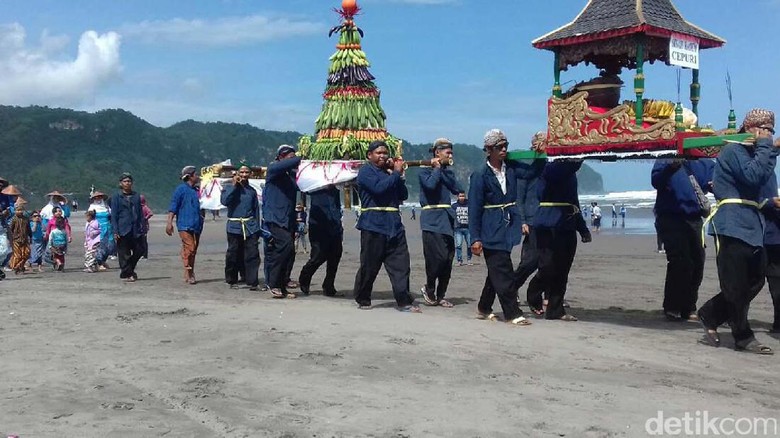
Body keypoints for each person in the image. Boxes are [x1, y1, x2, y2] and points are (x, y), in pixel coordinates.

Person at [698, 109, 777, 355]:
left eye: (770, 131)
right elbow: (752, 175)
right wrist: (767, 147)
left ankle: (710, 313)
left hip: (753, 224)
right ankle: (742, 336)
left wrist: (769, 149)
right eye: (762, 130)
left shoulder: (757, 154)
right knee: (736, 283)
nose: (766, 134)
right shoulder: (732, 150)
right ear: (749, 128)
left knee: (755, 279)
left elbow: (762, 179)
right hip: (731, 223)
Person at [469, 129, 529, 325]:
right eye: (499, 147)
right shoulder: (480, 175)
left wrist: (540, 154)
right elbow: (474, 209)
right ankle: (513, 313)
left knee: (496, 271)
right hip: (490, 229)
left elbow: (532, 172)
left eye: (506, 146)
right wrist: (475, 238)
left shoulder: (511, 168)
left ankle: (484, 307)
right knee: (503, 270)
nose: (503, 150)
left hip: (508, 227)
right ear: (488, 149)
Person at [353, 140, 420, 312]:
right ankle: (363, 297)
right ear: (370, 155)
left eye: (385, 153)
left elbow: (403, 195)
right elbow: (379, 189)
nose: (383, 156)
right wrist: (396, 174)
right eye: (379, 153)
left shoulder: (390, 173)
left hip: (394, 224)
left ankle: (403, 300)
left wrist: (399, 176)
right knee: (369, 265)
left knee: (401, 264)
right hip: (373, 224)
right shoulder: (365, 172)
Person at [651, 158, 714, 321]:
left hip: (694, 218)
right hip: (670, 216)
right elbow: (656, 181)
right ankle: (672, 306)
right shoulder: (665, 158)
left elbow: (712, 183)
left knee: (697, 262)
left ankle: (688, 307)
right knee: (680, 261)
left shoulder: (703, 162)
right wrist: (670, 168)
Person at [534, 160, 591, 321]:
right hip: (548, 223)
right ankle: (534, 290)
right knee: (547, 266)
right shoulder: (549, 167)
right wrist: (580, 156)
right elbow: (558, 171)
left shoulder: (571, 174)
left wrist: (583, 229)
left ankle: (555, 309)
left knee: (563, 270)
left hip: (567, 223)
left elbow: (574, 202)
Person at [419, 138, 463, 308]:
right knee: (436, 258)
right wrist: (436, 169)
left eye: (451, 152)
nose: (450, 155)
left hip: (447, 220)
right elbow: (430, 186)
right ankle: (429, 288)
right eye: (447, 152)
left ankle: (441, 294)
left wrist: (443, 171)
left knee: (448, 259)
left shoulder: (447, 172)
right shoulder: (424, 171)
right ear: (437, 152)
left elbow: (457, 188)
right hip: (431, 219)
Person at [263, 145, 303, 298]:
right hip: (275, 218)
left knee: (289, 251)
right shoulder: (273, 169)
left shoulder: (290, 175)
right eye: (288, 156)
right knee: (284, 247)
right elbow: (286, 165)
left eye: (293, 155)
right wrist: (301, 158)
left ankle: (283, 284)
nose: (291, 158)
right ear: (280, 157)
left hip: (288, 219)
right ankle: (273, 283)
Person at [512, 154, 546, 315]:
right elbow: (520, 198)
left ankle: (540, 297)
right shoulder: (528, 171)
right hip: (532, 220)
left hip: (548, 220)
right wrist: (523, 220)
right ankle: (512, 286)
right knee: (530, 261)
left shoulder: (552, 167)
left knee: (549, 262)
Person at [221, 164, 262, 290]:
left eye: (246, 172)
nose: (244, 175)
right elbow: (225, 201)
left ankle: (252, 281)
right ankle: (231, 280)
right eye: (241, 172)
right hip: (234, 226)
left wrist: (257, 227)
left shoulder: (252, 191)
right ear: (237, 174)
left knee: (252, 254)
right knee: (233, 254)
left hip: (250, 226)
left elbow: (256, 210)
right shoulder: (228, 188)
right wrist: (234, 186)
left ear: (250, 174)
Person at [298, 185, 343, 297]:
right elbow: (304, 188)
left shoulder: (335, 191)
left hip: (335, 226)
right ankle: (305, 276)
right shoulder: (315, 189)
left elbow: (337, 208)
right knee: (318, 256)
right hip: (319, 227)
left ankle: (329, 285)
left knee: (335, 256)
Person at [166, 166, 205, 284]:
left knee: (193, 249)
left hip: (197, 224)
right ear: (190, 176)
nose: (197, 176)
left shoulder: (197, 191)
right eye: (195, 174)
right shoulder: (180, 190)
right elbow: (173, 206)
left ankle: (189, 271)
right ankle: (188, 271)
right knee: (190, 247)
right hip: (184, 224)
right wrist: (169, 223)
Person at [108, 172, 145, 282]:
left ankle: (127, 271)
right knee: (124, 253)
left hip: (135, 228)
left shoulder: (136, 196)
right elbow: (114, 215)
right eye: (125, 181)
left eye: (129, 181)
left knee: (140, 250)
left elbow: (140, 213)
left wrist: (142, 226)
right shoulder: (116, 197)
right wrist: (115, 230)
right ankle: (128, 273)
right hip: (122, 228)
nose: (127, 183)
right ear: (121, 183)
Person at [760, 164, 780, 334]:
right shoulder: (759, 168)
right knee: (750, 280)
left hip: (772, 231)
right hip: (763, 232)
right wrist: (771, 203)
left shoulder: (768, 169)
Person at [89, 192, 115, 270]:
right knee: (99, 246)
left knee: (109, 245)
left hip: (108, 227)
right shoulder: (92, 207)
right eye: (96, 197)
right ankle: (99, 262)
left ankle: (103, 260)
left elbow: (111, 216)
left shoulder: (106, 207)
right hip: (97, 228)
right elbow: (89, 218)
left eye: (100, 197)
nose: (98, 198)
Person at [9, 197, 31, 274]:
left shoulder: (26, 219)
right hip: (16, 240)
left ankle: (20, 266)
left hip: (25, 239)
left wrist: (30, 237)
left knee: (26, 254)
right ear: (15, 211)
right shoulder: (14, 219)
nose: (19, 211)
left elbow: (29, 229)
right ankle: (16, 266)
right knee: (18, 255)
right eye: (18, 210)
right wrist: (11, 238)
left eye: (21, 210)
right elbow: (10, 229)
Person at [452, 192, 472, 266]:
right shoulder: (454, 206)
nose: (462, 197)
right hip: (458, 228)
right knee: (458, 245)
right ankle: (459, 260)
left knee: (469, 245)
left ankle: (469, 259)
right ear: (457, 197)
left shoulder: (469, 205)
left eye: (463, 196)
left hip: (468, 228)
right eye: (460, 196)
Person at [139, 195, 153, 260]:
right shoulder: (137, 207)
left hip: (144, 227)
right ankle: (141, 254)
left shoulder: (144, 207)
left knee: (143, 241)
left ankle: (145, 255)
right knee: (138, 241)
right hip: (137, 226)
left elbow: (150, 213)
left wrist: (145, 218)